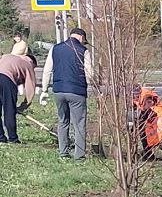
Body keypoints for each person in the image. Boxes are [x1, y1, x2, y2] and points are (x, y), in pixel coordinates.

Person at [40, 27, 93, 160]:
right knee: (79, 124)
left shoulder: (55, 49)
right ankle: (79, 155)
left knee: (63, 121)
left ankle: (63, 153)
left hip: (58, 91)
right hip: (77, 92)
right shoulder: (84, 51)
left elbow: (47, 71)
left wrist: (44, 90)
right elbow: (90, 74)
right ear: (81, 37)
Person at [0, 53, 34, 144]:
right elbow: (30, 88)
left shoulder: (7, 56)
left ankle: (0, 137)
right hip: (6, 79)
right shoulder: (28, 64)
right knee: (9, 111)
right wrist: (23, 106)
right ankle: (13, 138)